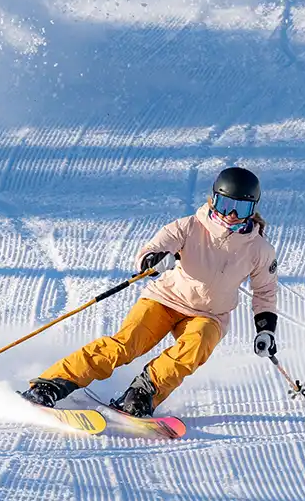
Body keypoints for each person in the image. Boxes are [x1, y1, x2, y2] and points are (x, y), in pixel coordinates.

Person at [21, 166, 279, 416]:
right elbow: (151, 250)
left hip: (210, 315)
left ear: (253, 209)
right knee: (126, 344)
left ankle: (141, 395)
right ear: (214, 200)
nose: (231, 214)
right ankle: (51, 385)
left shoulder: (259, 250)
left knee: (195, 346)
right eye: (225, 205)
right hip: (165, 300)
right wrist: (153, 260)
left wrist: (265, 329)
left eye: (241, 207)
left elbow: (265, 291)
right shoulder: (189, 227)